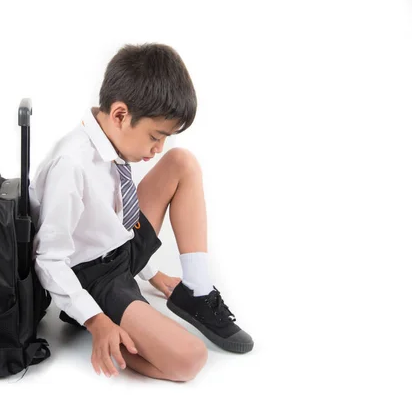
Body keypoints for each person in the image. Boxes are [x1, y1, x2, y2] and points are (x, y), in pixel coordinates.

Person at [29, 43, 253, 383]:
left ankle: (197, 290)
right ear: (120, 114)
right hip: (95, 278)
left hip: (121, 250)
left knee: (183, 163)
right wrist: (95, 319)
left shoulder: (115, 141)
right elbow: (48, 258)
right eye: (155, 136)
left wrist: (152, 274)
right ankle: (112, 330)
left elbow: (115, 222)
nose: (158, 148)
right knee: (190, 360)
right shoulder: (71, 164)